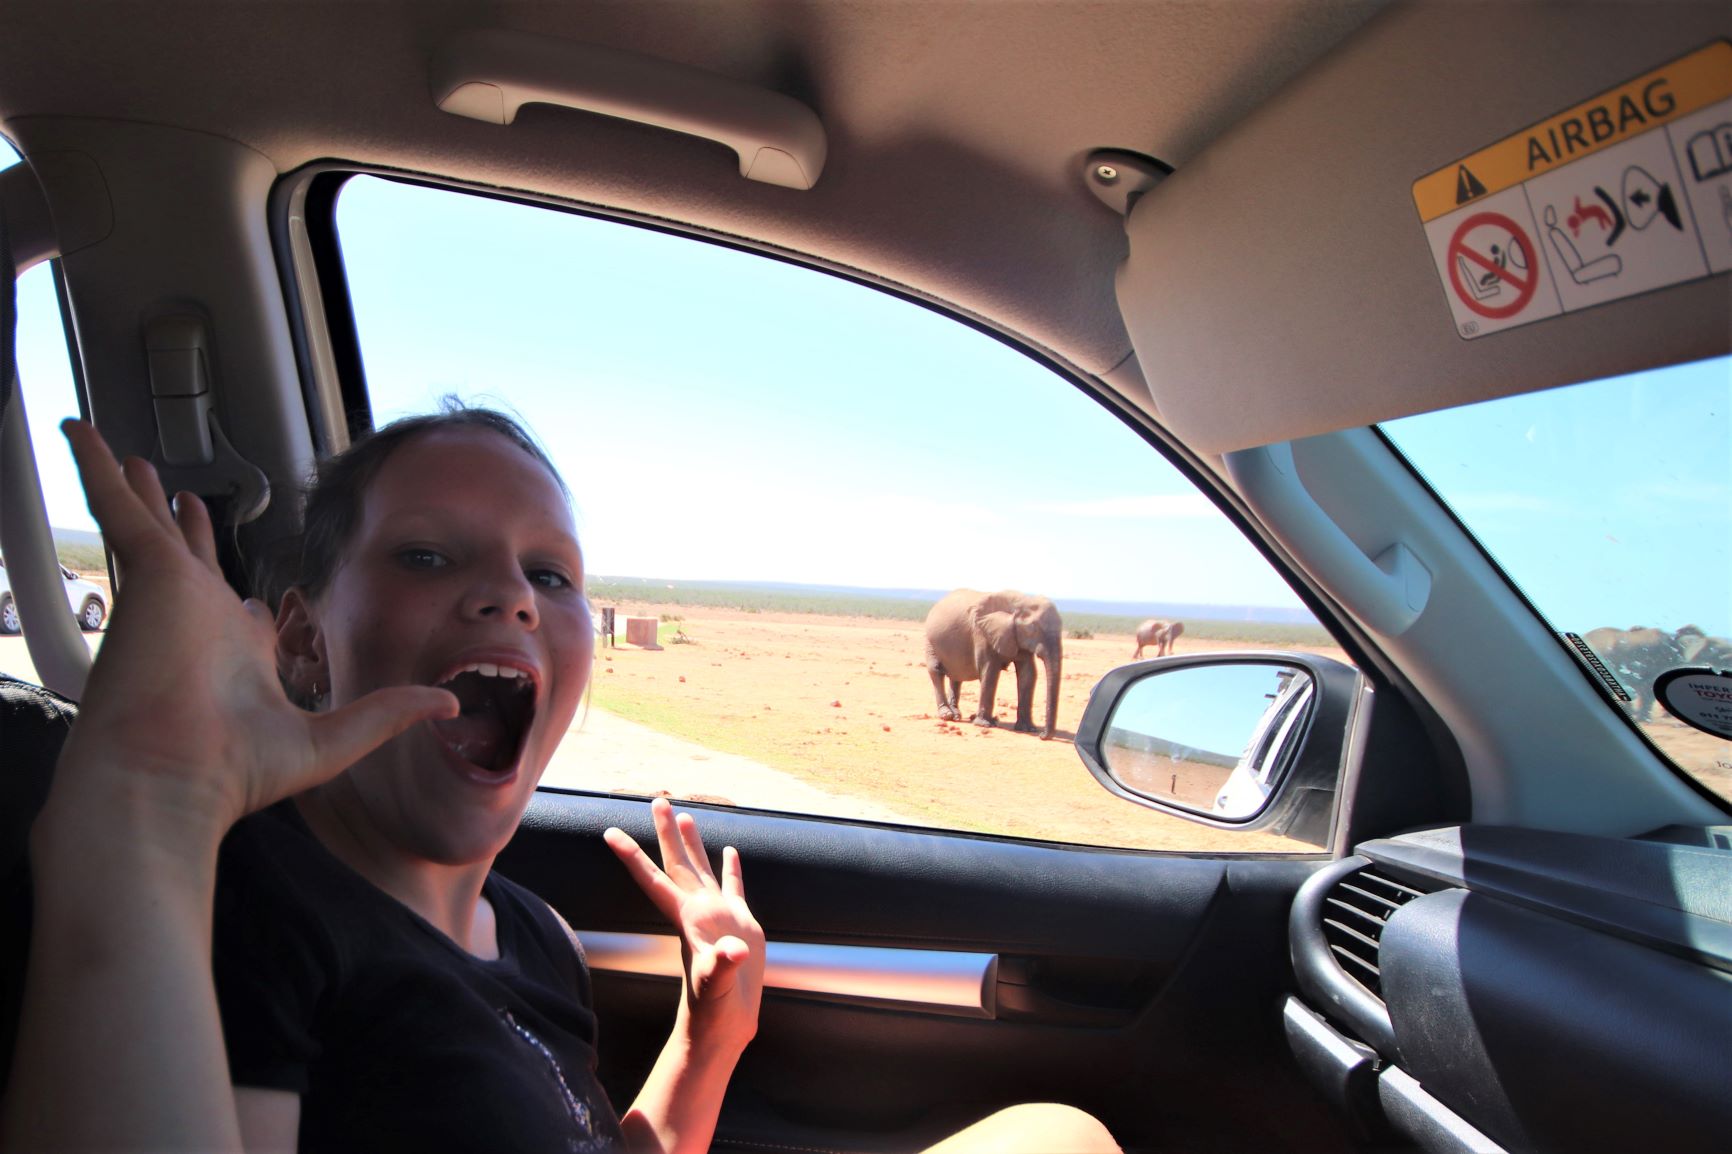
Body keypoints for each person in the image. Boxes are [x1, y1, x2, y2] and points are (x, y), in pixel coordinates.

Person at [1, 407, 1119, 1153]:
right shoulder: (254, 907)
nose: (512, 594)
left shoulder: (529, 931)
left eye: (551, 571)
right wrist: (148, 797)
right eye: (429, 555)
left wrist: (707, 1034)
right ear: (301, 643)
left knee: (1058, 1129)